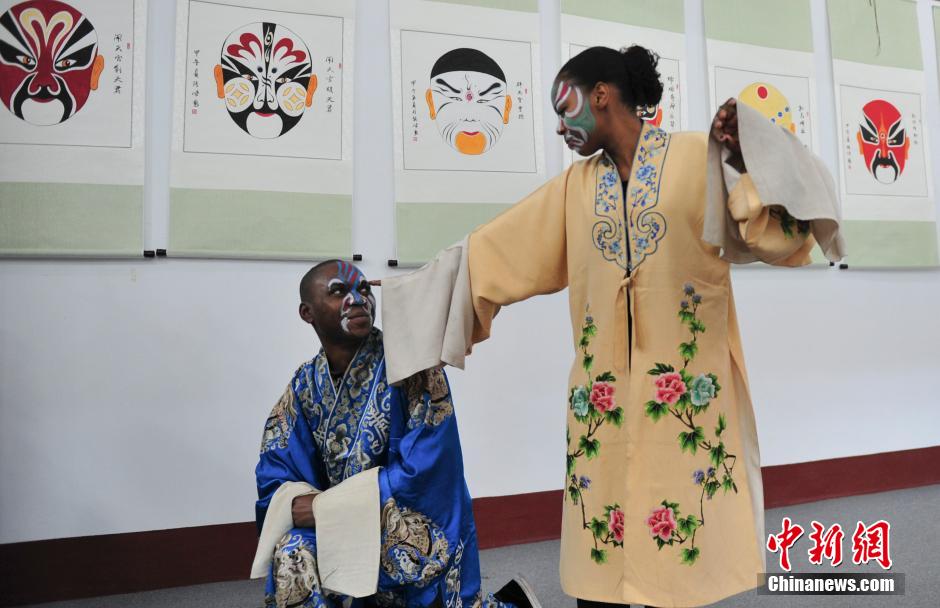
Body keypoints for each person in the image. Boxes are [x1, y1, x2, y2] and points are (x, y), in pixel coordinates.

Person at [376, 46, 845, 608]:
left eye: (563, 105)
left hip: (686, 397)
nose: (559, 125)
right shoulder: (575, 189)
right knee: (602, 562)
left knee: (681, 553)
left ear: (600, 95)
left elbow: (781, 229)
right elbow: (495, 251)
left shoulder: (699, 158)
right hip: (601, 404)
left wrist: (747, 152)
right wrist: (411, 296)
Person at [251, 260, 540, 608]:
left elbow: (429, 470)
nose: (357, 300)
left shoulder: (412, 368)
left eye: (364, 290)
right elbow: (277, 464)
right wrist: (299, 503)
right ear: (307, 312)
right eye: (339, 291)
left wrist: (331, 508)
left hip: (399, 522)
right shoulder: (304, 384)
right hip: (341, 523)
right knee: (292, 552)